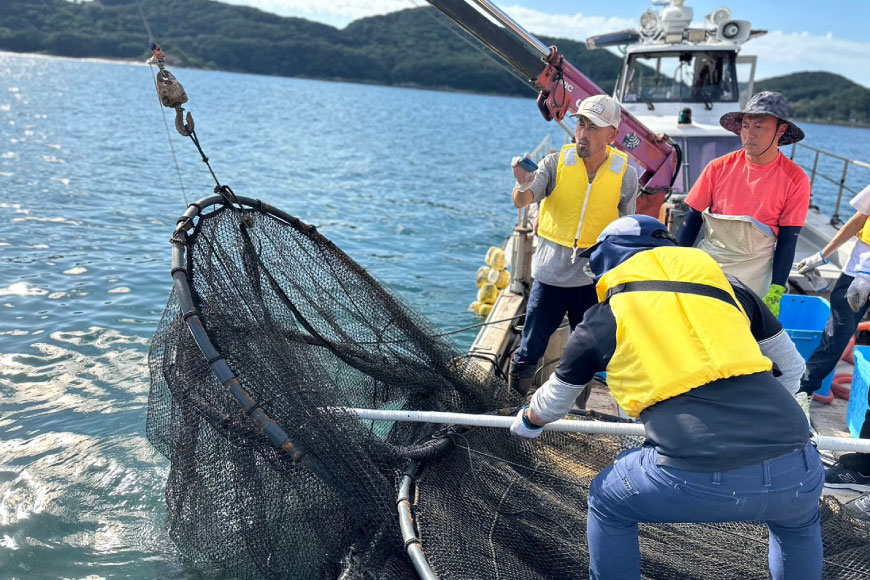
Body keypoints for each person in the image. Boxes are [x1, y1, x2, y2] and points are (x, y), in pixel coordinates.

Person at [511, 215, 822, 580]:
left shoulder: (603, 316)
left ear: (608, 259)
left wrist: (528, 421)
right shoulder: (730, 289)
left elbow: (552, 404)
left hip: (693, 477)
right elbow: (791, 366)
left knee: (607, 501)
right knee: (797, 526)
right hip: (797, 467)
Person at [508, 94, 639, 395]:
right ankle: (512, 402)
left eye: (593, 126)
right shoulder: (554, 163)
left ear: (613, 135)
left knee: (587, 354)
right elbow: (523, 200)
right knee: (530, 349)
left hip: (591, 281)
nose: (583, 132)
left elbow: (626, 230)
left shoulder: (625, 175)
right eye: (581, 123)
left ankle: (578, 411)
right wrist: (523, 182)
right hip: (549, 277)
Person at [677, 91, 811, 317]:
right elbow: (691, 221)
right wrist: (676, 259)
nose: (749, 135)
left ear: (781, 130)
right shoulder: (718, 167)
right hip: (711, 263)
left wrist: (777, 288)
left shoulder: (796, 179)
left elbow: (788, 240)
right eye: (745, 126)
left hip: (756, 272)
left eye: (758, 127)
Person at [796, 183, 870, 490]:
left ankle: (863, 468)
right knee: (835, 338)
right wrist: (822, 256)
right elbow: (861, 217)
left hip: (863, 274)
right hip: (858, 272)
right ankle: (802, 393)